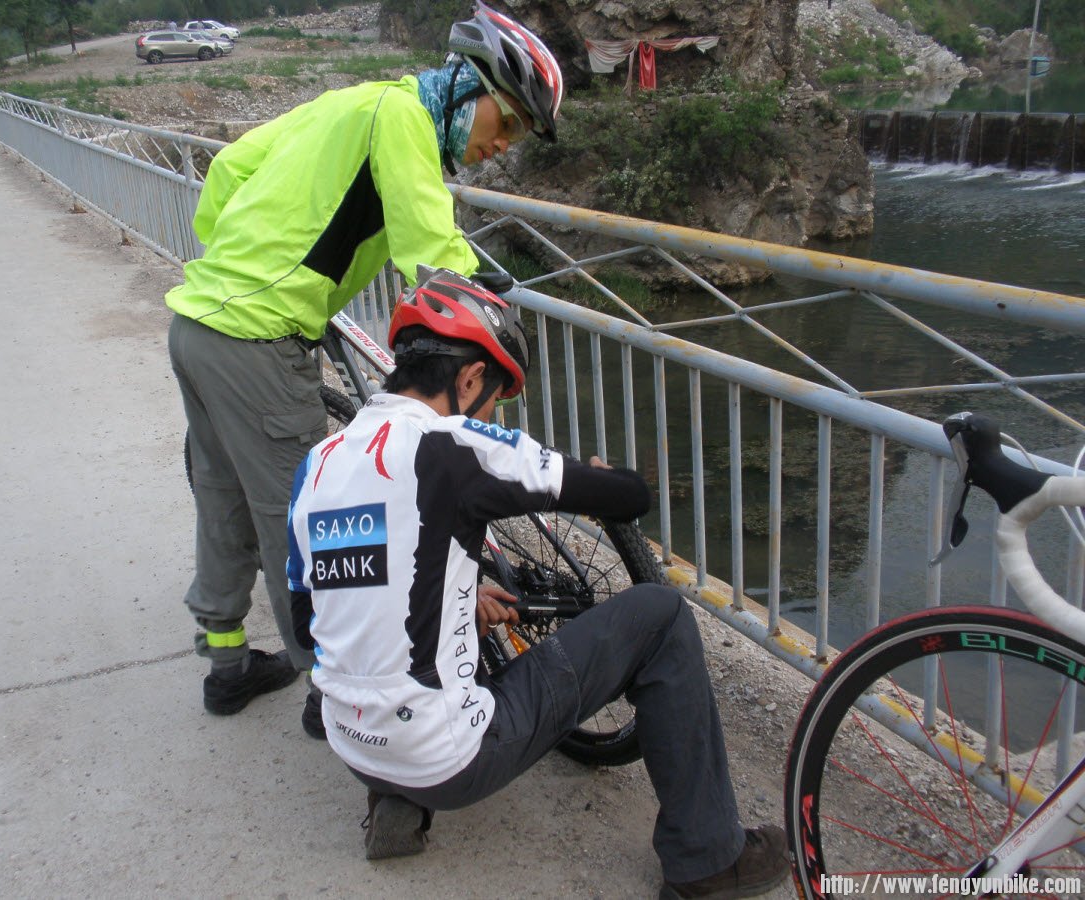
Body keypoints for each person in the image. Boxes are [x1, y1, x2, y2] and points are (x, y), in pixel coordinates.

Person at [284, 267, 792, 899]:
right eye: (495, 395)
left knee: (401, 652)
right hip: (445, 757)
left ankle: (397, 800)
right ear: (470, 379)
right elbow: (626, 495)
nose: (493, 412)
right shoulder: (452, 444)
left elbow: (316, 617)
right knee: (661, 616)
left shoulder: (318, 465)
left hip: (349, 741)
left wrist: (458, 604)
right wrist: (605, 474)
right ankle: (708, 860)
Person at [164, 3, 564, 722]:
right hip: (256, 337)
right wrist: (491, 329)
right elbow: (428, 253)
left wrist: (236, 265)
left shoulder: (354, 103)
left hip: (199, 321)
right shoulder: (407, 119)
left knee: (222, 495)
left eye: (516, 136)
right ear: (466, 87)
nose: (500, 145)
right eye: (503, 122)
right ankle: (333, 692)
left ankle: (227, 663)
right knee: (305, 521)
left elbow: (227, 169)